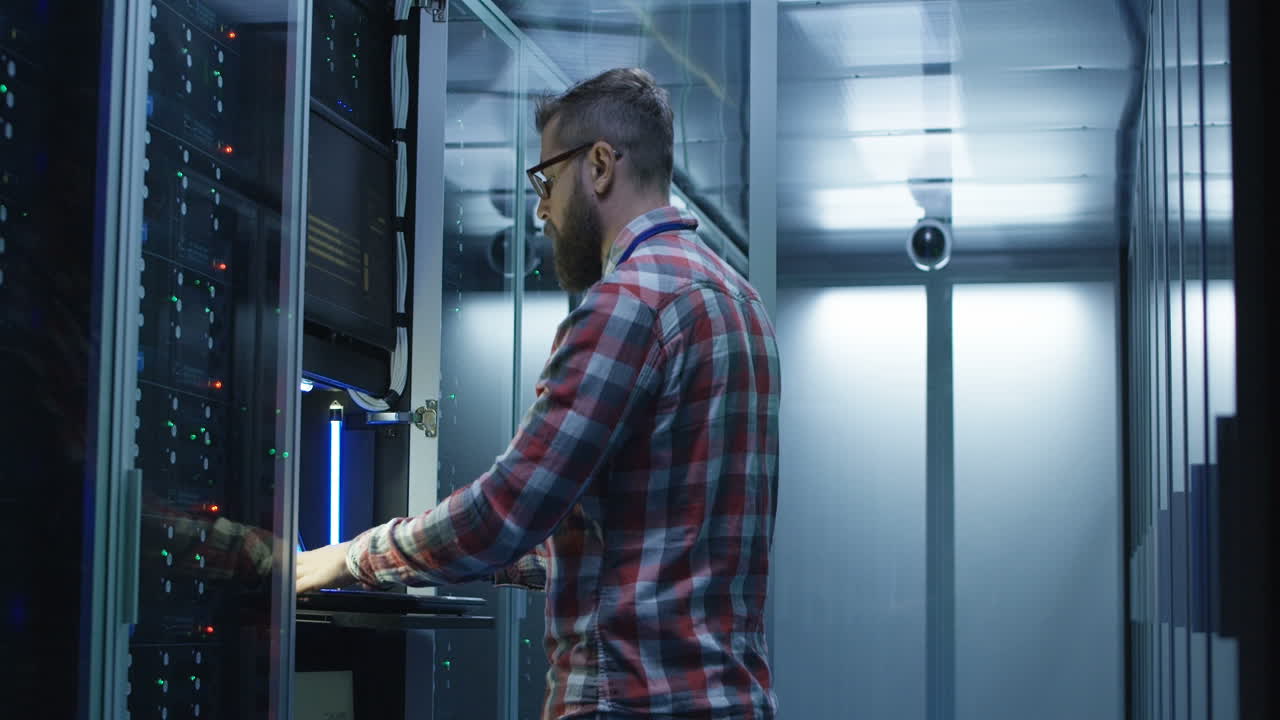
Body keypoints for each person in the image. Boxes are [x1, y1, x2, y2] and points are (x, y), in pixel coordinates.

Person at [297, 67, 780, 720]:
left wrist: (348, 559)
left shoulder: (629, 303)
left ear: (601, 165)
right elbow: (646, 546)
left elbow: (503, 513)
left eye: (546, 183)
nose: (542, 211)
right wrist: (492, 571)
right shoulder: (742, 303)